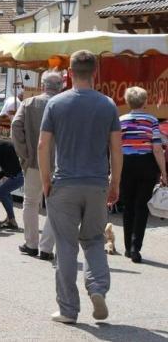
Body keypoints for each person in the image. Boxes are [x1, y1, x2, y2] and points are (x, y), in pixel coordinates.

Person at [39, 50, 122, 324]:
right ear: (95, 73)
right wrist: (115, 182)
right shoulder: (108, 105)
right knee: (95, 240)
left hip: (64, 182)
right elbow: (116, 149)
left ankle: (68, 309)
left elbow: (43, 145)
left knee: (65, 245)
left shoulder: (56, 104)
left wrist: (46, 179)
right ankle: (98, 288)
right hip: (97, 182)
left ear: (69, 73)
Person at [11, 71, 60, 260]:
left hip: (33, 161)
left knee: (30, 202)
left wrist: (24, 153)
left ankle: (31, 244)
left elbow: (16, 126)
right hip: (59, 162)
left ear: (42, 86)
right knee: (55, 206)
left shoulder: (29, 103)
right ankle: (46, 248)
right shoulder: (64, 104)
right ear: (60, 86)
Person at [119, 86, 167, 263]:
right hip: (146, 164)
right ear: (145, 101)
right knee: (142, 207)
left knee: (128, 206)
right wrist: (164, 172)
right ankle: (135, 247)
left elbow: (115, 148)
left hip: (126, 164)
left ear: (127, 101)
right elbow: (156, 148)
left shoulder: (121, 120)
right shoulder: (152, 120)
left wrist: (113, 172)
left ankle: (126, 246)